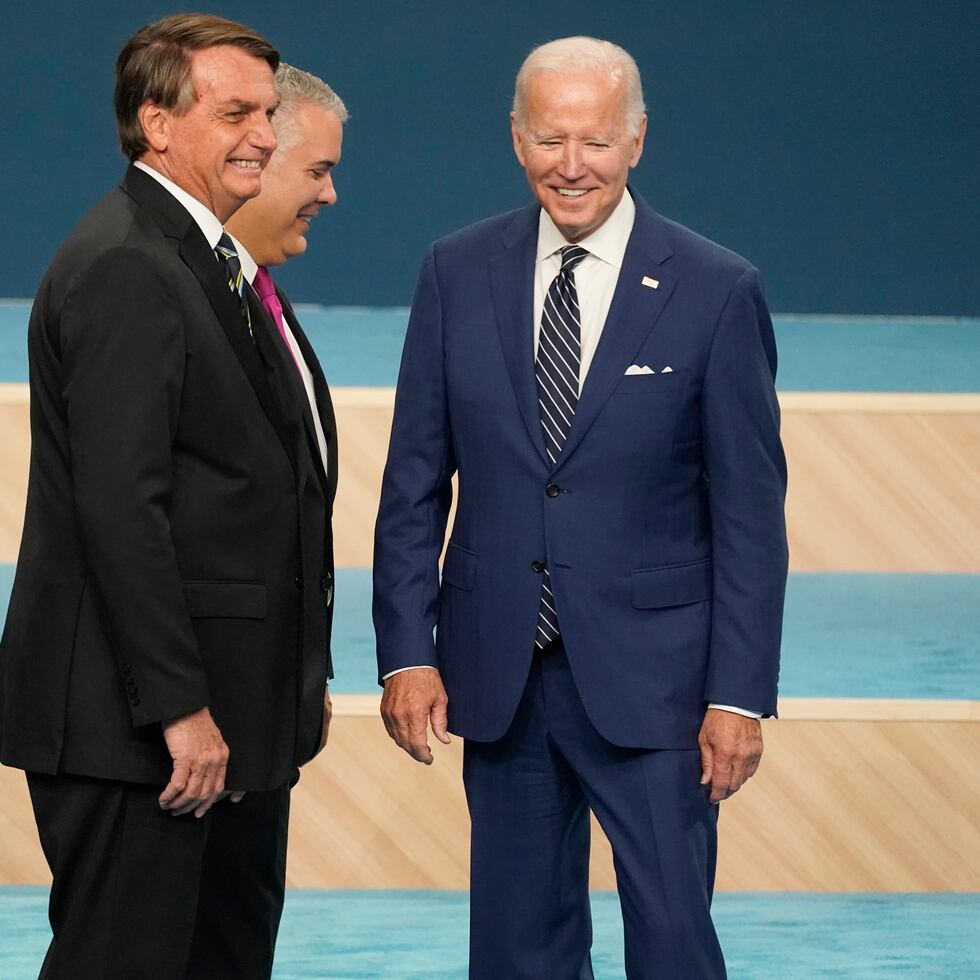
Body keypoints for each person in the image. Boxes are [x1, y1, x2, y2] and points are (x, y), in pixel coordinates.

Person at [373, 36, 787, 979]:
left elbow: (752, 519)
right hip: (499, 677)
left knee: (675, 942)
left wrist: (737, 694)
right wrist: (407, 650)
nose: (572, 166)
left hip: (661, 689)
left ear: (637, 140)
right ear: (516, 140)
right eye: (550, 140)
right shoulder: (455, 271)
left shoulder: (717, 289)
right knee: (519, 951)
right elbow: (412, 485)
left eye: (595, 141)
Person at [0, 15, 337, 979]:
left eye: (268, 113)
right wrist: (180, 710)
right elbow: (120, 509)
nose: (265, 136)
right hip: (138, 734)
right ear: (157, 124)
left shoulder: (203, 257)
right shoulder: (126, 264)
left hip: (219, 725)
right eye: (236, 112)